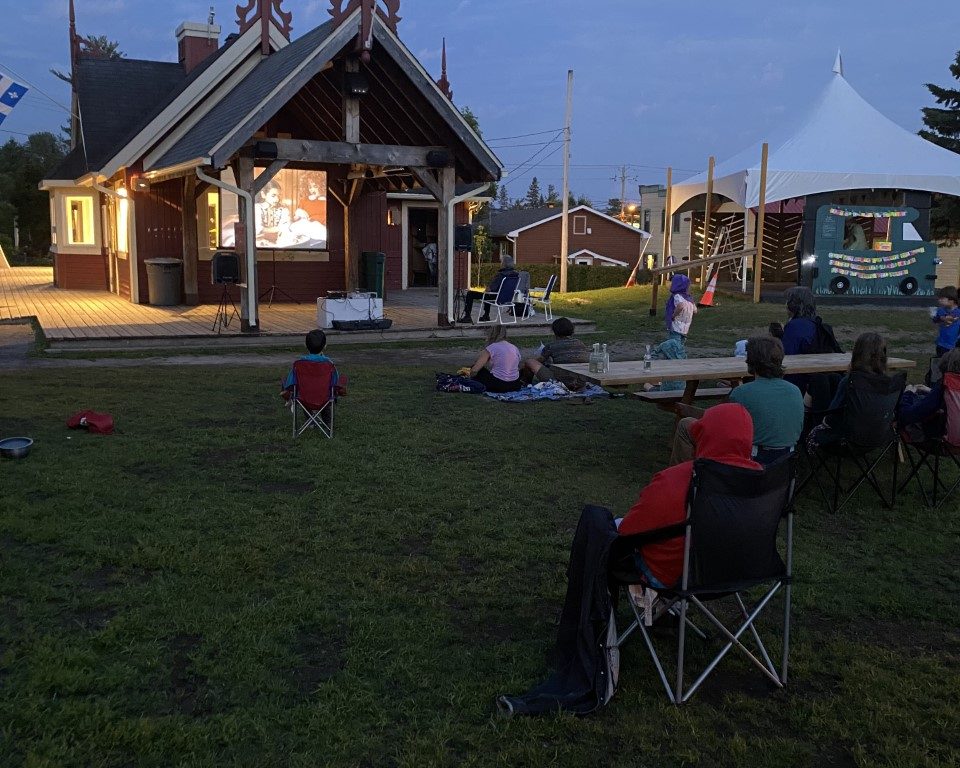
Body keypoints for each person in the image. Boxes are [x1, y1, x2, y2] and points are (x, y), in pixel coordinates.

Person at [620, 404, 761, 589]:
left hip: (677, 577)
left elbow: (627, 531)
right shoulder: (761, 480)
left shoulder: (677, 479)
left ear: (704, 434)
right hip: (738, 573)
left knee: (599, 525)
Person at [671, 337, 803, 466]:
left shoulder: (742, 394)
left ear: (751, 362)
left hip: (746, 463)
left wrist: (692, 413)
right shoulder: (795, 391)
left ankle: (682, 481)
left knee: (685, 425)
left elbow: (716, 426)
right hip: (783, 467)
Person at [807, 332, 889, 448]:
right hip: (875, 437)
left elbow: (831, 415)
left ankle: (804, 412)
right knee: (833, 377)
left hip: (843, 439)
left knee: (818, 380)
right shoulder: (887, 382)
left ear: (857, 354)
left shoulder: (851, 382)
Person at [899, 348, 960, 442]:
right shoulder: (952, 391)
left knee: (900, 410)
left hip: (944, 442)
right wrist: (931, 391)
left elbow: (908, 415)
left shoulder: (944, 389)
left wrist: (908, 393)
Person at [281, 329, 340, 409]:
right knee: (326, 395)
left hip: (304, 398)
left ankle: (309, 417)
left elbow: (290, 382)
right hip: (325, 398)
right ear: (325, 345)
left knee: (286, 381)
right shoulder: (329, 364)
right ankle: (327, 421)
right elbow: (336, 382)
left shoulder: (299, 364)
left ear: (305, 345)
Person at [522, 317, 589, 384]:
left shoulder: (552, 345)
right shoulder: (580, 343)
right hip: (581, 380)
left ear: (554, 331)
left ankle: (526, 383)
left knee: (530, 362)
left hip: (561, 381)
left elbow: (540, 360)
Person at [457, 256, 519, 323]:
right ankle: (486, 316)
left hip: (496, 297)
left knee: (470, 293)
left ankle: (467, 316)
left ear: (504, 263)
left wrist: (487, 288)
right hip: (507, 298)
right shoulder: (515, 275)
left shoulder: (501, 275)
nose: (501, 263)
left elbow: (491, 289)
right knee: (488, 294)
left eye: (501, 262)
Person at [464, 325, 523, 393]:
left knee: (478, 370)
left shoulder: (492, 347)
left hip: (498, 384)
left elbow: (475, 370)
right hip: (515, 385)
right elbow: (517, 366)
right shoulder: (514, 348)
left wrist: (469, 375)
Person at [256, 181, 291, 246]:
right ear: (263, 195)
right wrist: (276, 230)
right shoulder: (257, 208)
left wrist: (267, 232)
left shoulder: (284, 209)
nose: (277, 199)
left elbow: (285, 227)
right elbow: (257, 229)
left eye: (279, 196)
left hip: (280, 244)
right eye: (273, 196)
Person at [665, 274, 697, 343]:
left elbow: (681, 305)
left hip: (676, 326)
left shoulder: (677, 296)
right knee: (681, 345)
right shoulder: (689, 298)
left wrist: (673, 315)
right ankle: (680, 353)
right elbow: (695, 311)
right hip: (685, 328)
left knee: (674, 344)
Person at [932, 286, 960, 357]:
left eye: (942, 299)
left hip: (952, 345)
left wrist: (943, 318)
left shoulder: (958, 312)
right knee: (940, 361)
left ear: (951, 300)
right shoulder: (941, 310)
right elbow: (935, 320)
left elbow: (951, 318)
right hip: (941, 343)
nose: (939, 300)